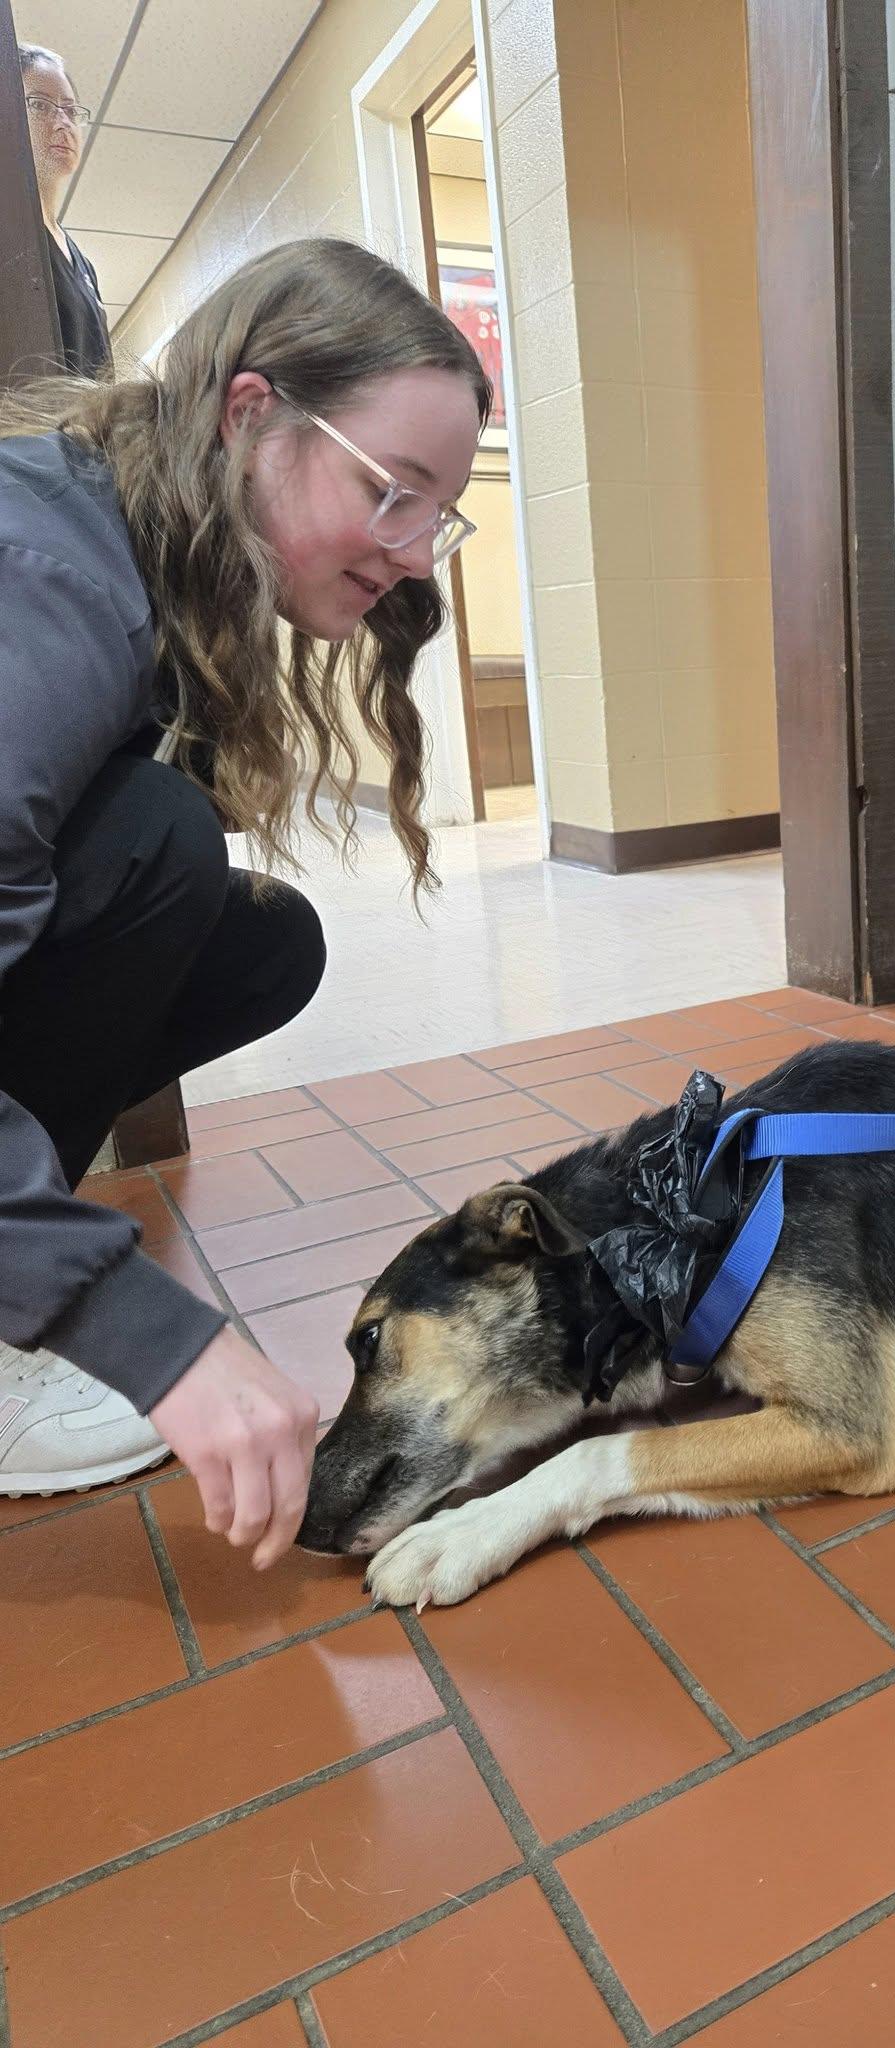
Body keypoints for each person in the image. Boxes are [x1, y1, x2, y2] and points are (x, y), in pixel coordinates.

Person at [0, 236, 490, 1569]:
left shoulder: (141, 568)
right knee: (162, 839)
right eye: (389, 492)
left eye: (435, 515)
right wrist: (141, 1333)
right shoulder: (42, 587)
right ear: (251, 414)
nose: (411, 555)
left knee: (249, 937)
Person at [20, 44, 111, 379]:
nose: (63, 124)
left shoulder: (83, 264)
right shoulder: (11, 234)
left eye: (70, 111)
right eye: (41, 105)